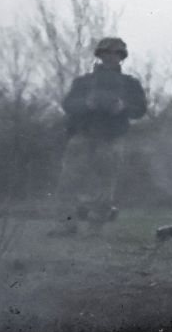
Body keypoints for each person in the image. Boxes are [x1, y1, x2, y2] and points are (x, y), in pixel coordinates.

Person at [58, 36, 148, 230]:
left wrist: (123, 107)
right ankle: (66, 226)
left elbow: (140, 109)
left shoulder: (130, 84)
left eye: (116, 53)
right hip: (83, 135)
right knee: (69, 180)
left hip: (112, 137)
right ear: (100, 55)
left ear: (122, 57)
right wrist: (86, 104)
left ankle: (95, 226)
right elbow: (68, 104)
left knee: (105, 182)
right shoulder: (84, 82)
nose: (111, 57)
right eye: (107, 53)